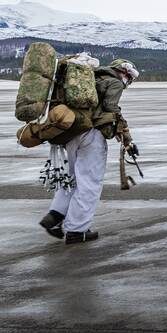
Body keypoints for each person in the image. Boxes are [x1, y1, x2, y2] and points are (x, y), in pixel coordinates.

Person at [40, 59, 140, 244]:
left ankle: (55, 215)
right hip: (91, 135)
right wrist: (127, 138)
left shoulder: (90, 77)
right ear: (123, 72)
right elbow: (112, 111)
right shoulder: (114, 82)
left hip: (70, 131)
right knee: (89, 183)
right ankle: (76, 230)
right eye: (129, 77)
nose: (128, 82)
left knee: (71, 178)